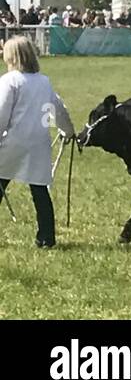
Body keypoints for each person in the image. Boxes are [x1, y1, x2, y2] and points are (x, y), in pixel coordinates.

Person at [0, 36, 76, 249]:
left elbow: (2, 113)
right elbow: (58, 109)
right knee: (40, 192)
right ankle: (46, 237)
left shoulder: (10, 80)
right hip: (39, 144)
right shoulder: (44, 81)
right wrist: (68, 131)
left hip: (13, 142)